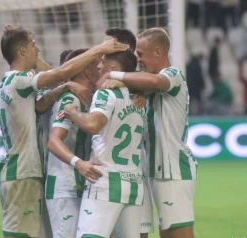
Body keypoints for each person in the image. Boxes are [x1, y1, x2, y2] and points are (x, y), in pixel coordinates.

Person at [0, 24, 128, 238]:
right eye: (33, 45)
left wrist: (65, 86)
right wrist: (99, 49)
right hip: (22, 171)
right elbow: (60, 73)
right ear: (22, 51)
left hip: (25, 172)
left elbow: (40, 105)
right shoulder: (19, 80)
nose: (37, 50)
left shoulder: (11, 82)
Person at [98, 27, 197, 238]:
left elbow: (155, 82)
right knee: (167, 234)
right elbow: (147, 84)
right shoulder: (148, 84)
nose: (138, 59)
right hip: (158, 170)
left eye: (141, 54)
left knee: (179, 234)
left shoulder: (173, 74)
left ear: (158, 52)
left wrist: (114, 74)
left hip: (173, 170)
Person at [64, 49, 145, 238]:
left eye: (102, 62)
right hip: (133, 183)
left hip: (106, 180)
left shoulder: (106, 93)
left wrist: (72, 112)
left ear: (113, 68)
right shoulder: (140, 98)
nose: (99, 66)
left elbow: (93, 124)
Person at [104, 27, 154, 238]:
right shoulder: (107, 77)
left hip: (135, 168)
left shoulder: (146, 81)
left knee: (137, 232)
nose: (102, 49)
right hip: (107, 172)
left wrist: (131, 85)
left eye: (107, 44)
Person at [44, 48, 100, 238]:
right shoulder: (70, 99)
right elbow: (53, 141)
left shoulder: (88, 100)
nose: (102, 68)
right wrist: (79, 163)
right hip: (64, 186)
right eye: (97, 66)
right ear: (88, 73)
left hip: (80, 183)